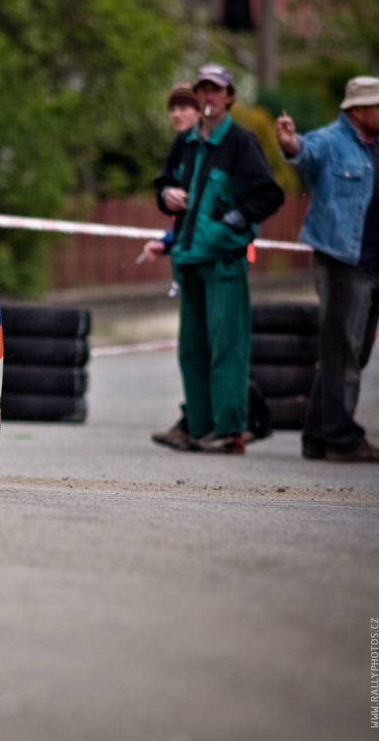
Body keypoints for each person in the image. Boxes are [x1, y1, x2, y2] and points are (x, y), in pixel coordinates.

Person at [152, 63, 284, 454]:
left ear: (229, 97)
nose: (209, 97)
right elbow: (162, 183)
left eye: (217, 90)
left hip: (224, 262)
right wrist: (165, 196)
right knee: (192, 350)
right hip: (188, 259)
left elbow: (268, 195)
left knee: (227, 347)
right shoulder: (187, 142)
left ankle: (230, 430)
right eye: (203, 90)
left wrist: (233, 220)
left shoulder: (241, 143)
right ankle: (199, 427)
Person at [275, 77, 379, 462]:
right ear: (358, 110)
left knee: (355, 351)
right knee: (343, 351)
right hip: (343, 259)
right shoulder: (331, 140)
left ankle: (318, 435)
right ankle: (341, 438)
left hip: (373, 263)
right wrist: (289, 143)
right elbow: (305, 152)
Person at [141, 85, 202, 263]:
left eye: (183, 109)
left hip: (217, 258)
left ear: (199, 112)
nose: (176, 114)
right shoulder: (180, 146)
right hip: (187, 254)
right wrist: (166, 242)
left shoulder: (216, 147)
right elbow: (164, 184)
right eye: (172, 109)